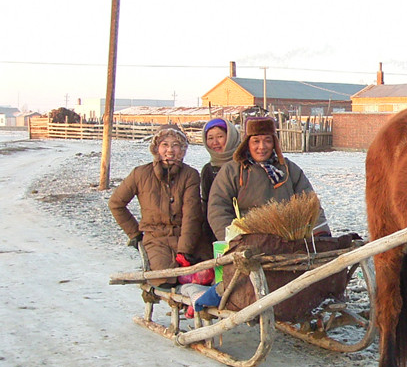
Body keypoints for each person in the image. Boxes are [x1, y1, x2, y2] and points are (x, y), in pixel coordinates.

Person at [108, 123, 204, 286]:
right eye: (165, 145)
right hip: (156, 240)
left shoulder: (190, 175)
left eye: (176, 145)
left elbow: (191, 215)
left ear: (182, 150)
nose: (170, 150)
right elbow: (116, 203)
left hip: (188, 237)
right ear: (156, 148)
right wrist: (135, 234)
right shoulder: (140, 174)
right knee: (164, 280)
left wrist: (185, 250)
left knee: (204, 278)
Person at [207, 116, 330, 241]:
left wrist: (320, 234)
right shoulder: (232, 171)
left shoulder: (288, 170)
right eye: (256, 141)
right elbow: (218, 209)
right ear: (247, 144)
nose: (262, 147)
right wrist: (234, 239)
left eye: (268, 140)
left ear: (274, 143)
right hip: (248, 241)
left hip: (287, 241)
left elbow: (310, 204)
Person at [197, 118, 241, 258]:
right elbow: (206, 203)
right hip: (217, 229)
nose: (215, 142)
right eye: (210, 138)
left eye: (220, 136)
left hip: (244, 228)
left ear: (230, 137)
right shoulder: (208, 170)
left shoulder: (244, 164)